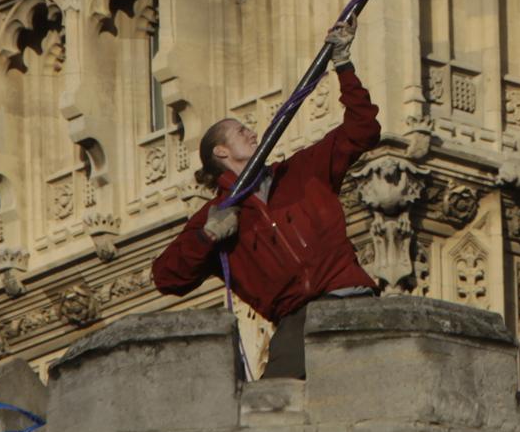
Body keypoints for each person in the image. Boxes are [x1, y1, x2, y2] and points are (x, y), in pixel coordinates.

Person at [151, 19, 380, 377]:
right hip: (295, 322)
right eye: (241, 131)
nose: (253, 132)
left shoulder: (302, 172)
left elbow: (363, 130)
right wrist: (206, 237)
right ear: (222, 152)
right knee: (278, 405)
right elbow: (166, 278)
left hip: (350, 296)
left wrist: (344, 64)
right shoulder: (219, 215)